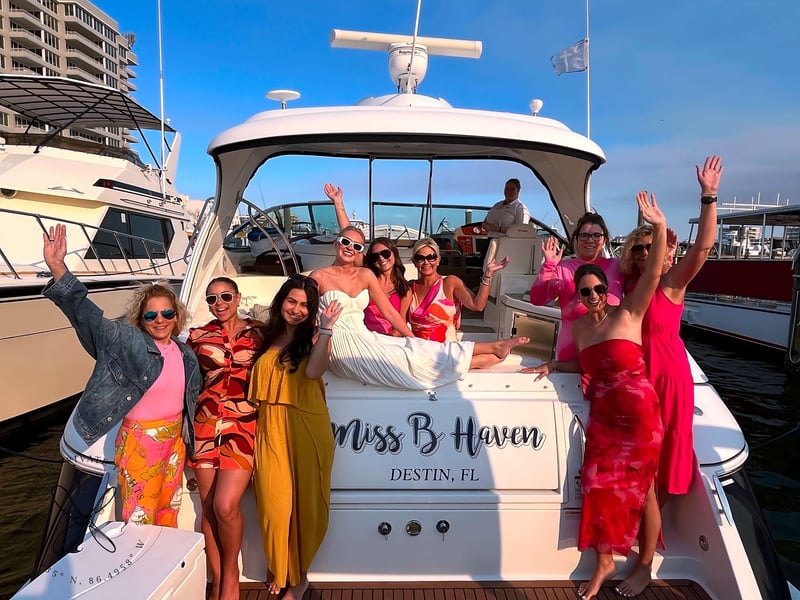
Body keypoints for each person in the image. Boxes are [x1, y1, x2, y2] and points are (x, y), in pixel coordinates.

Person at [525, 191, 667, 600]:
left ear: (609, 290)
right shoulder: (581, 330)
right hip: (603, 414)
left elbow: (653, 272)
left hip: (639, 414)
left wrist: (658, 226)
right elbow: (585, 366)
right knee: (596, 484)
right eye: (584, 292)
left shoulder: (629, 313)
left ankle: (644, 566)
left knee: (644, 491)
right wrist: (554, 365)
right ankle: (604, 561)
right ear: (577, 295)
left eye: (598, 289)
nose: (592, 297)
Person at [41, 223, 201, 527]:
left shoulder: (185, 354)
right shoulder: (127, 342)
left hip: (174, 440)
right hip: (140, 440)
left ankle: (163, 554)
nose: (160, 320)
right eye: (151, 315)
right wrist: (58, 268)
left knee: (169, 507)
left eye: (167, 313)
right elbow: (89, 319)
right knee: (139, 516)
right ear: (141, 319)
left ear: (176, 316)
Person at [619, 156, 723, 511]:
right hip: (638, 374)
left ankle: (655, 518)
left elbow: (704, 247)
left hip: (668, 374)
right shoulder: (629, 286)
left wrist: (708, 196)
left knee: (667, 444)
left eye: (651, 246)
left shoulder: (671, 282)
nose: (644, 252)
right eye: (638, 248)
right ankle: (639, 513)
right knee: (638, 446)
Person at [310, 225, 529, 389]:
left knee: (414, 349)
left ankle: (493, 348)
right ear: (336, 242)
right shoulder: (318, 277)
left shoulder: (366, 276)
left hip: (372, 338)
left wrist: (410, 337)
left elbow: (390, 313)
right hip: (338, 343)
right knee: (409, 355)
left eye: (356, 246)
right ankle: (486, 354)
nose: (350, 248)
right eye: (345, 242)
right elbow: (306, 315)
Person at [249, 274, 343, 600]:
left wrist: (327, 329)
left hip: (306, 426)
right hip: (270, 426)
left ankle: (298, 577)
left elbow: (314, 371)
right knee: (274, 506)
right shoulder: (265, 335)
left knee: (307, 506)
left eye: (305, 305)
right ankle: (279, 563)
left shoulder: (316, 335)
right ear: (281, 301)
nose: (297, 309)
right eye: (292, 301)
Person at [186, 277, 265, 600]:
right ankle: (218, 580)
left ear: (238, 297)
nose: (219, 303)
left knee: (225, 505)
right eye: (212, 299)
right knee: (208, 508)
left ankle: (231, 573)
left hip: (242, 428)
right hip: (205, 426)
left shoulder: (259, 333)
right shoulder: (197, 336)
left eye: (225, 296)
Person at [528, 212, 625, 363]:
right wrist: (548, 266)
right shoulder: (563, 268)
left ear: (604, 239)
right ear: (576, 239)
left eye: (596, 235)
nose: (590, 240)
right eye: (584, 235)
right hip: (571, 353)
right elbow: (537, 299)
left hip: (610, 351)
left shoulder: (618, 266)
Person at [408, 237, 509, 341]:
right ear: (414, 262)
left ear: (438, 260)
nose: (426, 262)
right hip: (417, 348)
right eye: (420, 258)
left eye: (431, 257)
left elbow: (478, 305)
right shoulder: (409, 288)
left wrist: (488, 274)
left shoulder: (450, 283)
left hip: (446, 349)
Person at [363, 236, 413, 335]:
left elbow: (401, 323)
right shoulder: (366, 282)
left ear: (394, 253)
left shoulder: (404, 290)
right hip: (365, 337)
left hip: (390, 340)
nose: (381, 258)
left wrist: (387, 339)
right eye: (375, 256)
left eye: (386, 253)